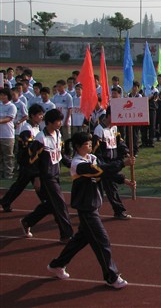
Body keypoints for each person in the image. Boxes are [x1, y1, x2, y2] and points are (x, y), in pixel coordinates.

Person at [47, 132, 134, 289]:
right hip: (86, 208)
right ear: (78, 147)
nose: (90, 145)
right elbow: (100, 170)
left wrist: (124, 180)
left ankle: (57, 264)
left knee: (80, 240)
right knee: (102, 241)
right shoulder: (79, 164)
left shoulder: (91, 158)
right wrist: (123, 163)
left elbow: (107, 173)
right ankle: (111, 277)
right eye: (87, 144)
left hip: (93, 206)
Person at [21, 109, 74, 242]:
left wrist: (73, 164)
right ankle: (66, 234)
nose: (60, 123)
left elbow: (60, 154)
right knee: (60, 205)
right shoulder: (40, 138)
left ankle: (27, 221)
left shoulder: (57, 134)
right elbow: (33, 160)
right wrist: (37, 177)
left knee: (50, 205)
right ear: (49, 122)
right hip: (46, 177)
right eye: (58, 121)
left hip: (55, 174)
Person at [0, 104, 44, 212]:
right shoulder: (27, 129)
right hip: (27, 162)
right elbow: (27, 147)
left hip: (33, 162)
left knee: (21, 184)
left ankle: (6, 201)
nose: (41, 117)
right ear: (32, 116)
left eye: (42, 115)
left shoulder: (37, 127)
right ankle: (47, 203)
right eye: (39, 115)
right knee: (24, 184)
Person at [92, 108, 132, 219]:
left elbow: (120, 142)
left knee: (104, 188)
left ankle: (91, 209)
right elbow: (96, 150)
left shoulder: (114, 128)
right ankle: (119, 211)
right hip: (105, 164)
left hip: (113, 162)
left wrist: (126, 152)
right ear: (108, 116)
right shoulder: (99, 130)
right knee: (110, 188)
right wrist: (104, 165)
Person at [0, 87, 18, 179]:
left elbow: (9, 118)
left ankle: (8, 174)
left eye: (4, 95)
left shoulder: (12, 106)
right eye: (1, 95)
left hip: (7, 135)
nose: (2, 97)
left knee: (8, 156)